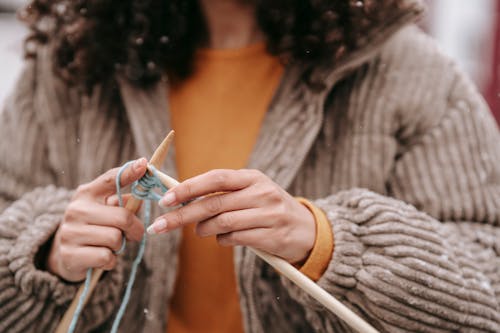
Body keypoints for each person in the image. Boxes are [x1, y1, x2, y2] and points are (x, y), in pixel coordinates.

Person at [0, 0, 499, 332]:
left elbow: (488, 285)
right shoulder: (70, 67)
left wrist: (323, 241)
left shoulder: (407, 71)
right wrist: (47, 256)